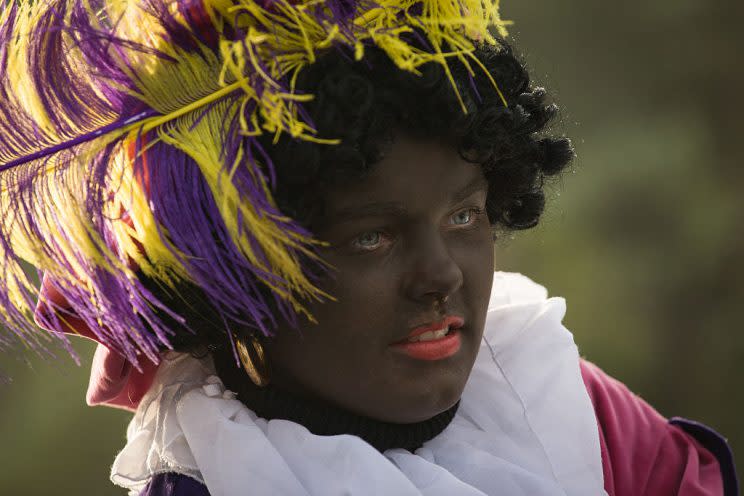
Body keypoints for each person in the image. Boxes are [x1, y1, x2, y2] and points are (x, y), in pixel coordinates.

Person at [0, 0, 737, 495]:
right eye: (371, 236)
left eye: (464, 217)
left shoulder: (558, 394)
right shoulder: (218, 477)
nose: (441, 275)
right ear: (236, 273)